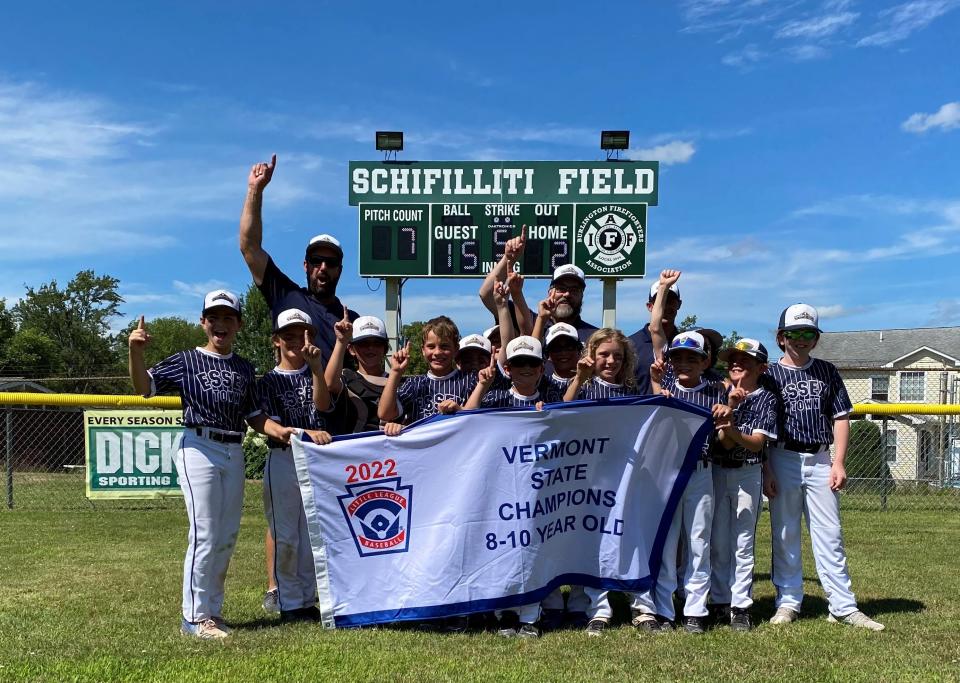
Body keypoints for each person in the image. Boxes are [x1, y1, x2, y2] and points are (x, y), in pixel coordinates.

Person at [128, 290, 295, 640]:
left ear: (239, 324)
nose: (221, 324)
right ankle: (193, 616)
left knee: (226, 535)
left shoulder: (244, 367)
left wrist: (282, 431)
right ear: (203, 321)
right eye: (214, 317)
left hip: (232, 448)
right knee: (205, 532)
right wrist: (136, 352)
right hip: (199, 445)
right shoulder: (188, 359)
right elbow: (145, 388)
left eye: (228, 317)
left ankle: (213, 613)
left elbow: (255, 416)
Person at [764, 304, 884, 631]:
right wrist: (766, 469)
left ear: (815, 339)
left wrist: (839, 461)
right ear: (781, 337)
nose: (801, 340)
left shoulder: (827, 371)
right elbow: (760, 424)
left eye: (808, 334)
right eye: (794, 334)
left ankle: (842, 605)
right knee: (785, 533)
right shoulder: (769, 374)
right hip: (781, 456)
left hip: (819, 457)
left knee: (830, 534)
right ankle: (788, 601)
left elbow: (841, 416)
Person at [259, 309, 338, 623]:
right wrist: (306, 433)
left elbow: (324, 407)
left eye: (302, 334)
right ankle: (289, 601)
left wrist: (317, 370)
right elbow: (278, 429)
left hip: (316, 463)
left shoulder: (317, 373)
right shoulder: (268, 381)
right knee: (287, 535)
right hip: (284, 459)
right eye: (288, 335)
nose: (295, 341)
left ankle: (306, 599)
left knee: (310, 536)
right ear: (277, 341)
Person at [561, 327, 641, 636]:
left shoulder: (633, 393)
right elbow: (563, 411)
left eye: (617, 356)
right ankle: (598, 607)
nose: (610, 361)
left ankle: (634, 599)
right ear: (591, 356)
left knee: (624, 537)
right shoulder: (583, 386)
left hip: (623, 475)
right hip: (589, 476)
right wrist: (579, 379)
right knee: (591, 539)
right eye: (603, 354)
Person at [239, 154, 357, 362]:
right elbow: (249, 247)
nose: (322, 267)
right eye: (316, 260)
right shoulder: (286, 296)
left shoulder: (351, 321)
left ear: (340, 269)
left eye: (330, 263)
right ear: (305, 265)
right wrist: (255, 190)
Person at [708, 338, 778, 632]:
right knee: (719, 541)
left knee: (742, 542)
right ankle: (720, 601)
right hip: (718, 471)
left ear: (761, 367)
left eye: (745, 361)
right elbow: (721, 446)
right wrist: (730, 411)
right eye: (733, 359)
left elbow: (756, 444)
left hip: (748, 472)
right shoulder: (720, 391)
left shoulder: (766, 397)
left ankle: (741, 607)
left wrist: (731, 424)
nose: (736, 363)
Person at [325, 313, 391, 434]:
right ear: (351, 349)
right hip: (353, 450)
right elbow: (329, 384)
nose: (370, 348)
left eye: (377, 343)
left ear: (385, 348)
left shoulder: (399, 383)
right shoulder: (345, 379)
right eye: (364, 343)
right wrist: (341, 341)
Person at [629, 279, 681, 394]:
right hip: (639, 411)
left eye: (670, 301)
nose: (665, 306)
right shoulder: (629, 344)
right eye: (660, 301)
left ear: (679, 304)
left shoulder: (685, 344)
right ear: (649, 306)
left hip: (676, 410)